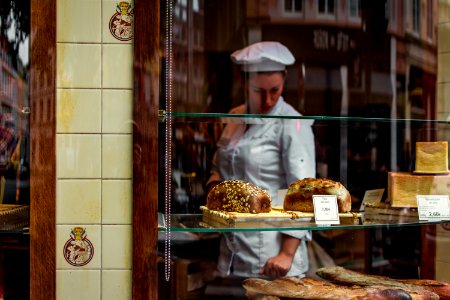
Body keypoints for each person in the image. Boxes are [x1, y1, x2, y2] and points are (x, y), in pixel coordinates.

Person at [206, 41, 316, 280]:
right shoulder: (234, 117)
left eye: (274, 90)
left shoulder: (293, 123)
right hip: (232, 255)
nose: (267, 100)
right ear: (244, 83)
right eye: (258, 91)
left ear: (285, 79)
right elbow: (218, 167)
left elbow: (303, 194)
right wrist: (215, 193)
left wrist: (286, 254)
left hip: (272, 260)